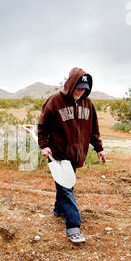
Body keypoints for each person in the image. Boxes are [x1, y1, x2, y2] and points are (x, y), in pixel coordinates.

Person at [37, 67, 106, 243]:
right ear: (71, 84)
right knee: (66, 187)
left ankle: (59, 210)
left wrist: (99, 148)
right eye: (78, 87)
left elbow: (93, 129)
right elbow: (43, 126)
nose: (80, 91)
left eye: (84, 88)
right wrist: (44, 146)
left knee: (68, 185)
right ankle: (73, 227)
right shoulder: (55, 101)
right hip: (59, 153)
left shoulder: (88, 104)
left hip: (77, 155)